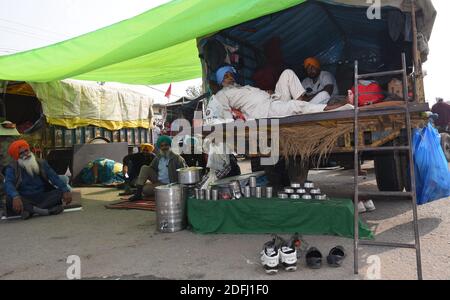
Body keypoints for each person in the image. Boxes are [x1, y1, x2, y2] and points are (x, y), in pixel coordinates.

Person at [213, 65, 353, 121]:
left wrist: (267, 93)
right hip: (265, 111)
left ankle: (303, 101)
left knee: (287, 73)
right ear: (220, 81)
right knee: (294, 106)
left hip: (273, 99)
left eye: (230, 74)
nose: (230, 77)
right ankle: (343, 105)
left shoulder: (240, 87)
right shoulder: (222, 94)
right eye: (226, 76)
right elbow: (224, 114)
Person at [3, 140, 72, 220]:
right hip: (24, 198)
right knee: (9, 198)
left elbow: (54, 177)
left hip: (42, 196)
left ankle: (30, 210)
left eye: (26, 150)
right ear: (16, 157)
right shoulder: (11, 168)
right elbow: (8, 184)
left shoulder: (41, 163)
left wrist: (65, 190)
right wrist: (15, 196)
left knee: (59, 193)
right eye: (21, 153)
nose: (26, 154)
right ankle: (46, 211)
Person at [128, 136, 187, 201]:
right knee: (145, 168)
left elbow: (184, 173)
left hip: (171, 184)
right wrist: (143, 180)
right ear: (160, 147)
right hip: (159, 182)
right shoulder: (158, 157)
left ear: (170, 146)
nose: (164, 147)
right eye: (162, 146)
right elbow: (150, 169)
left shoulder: (177, 158)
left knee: (145, 190)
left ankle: (164, 192)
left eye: (166, 145)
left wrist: (181, 188)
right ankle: (138, 194)